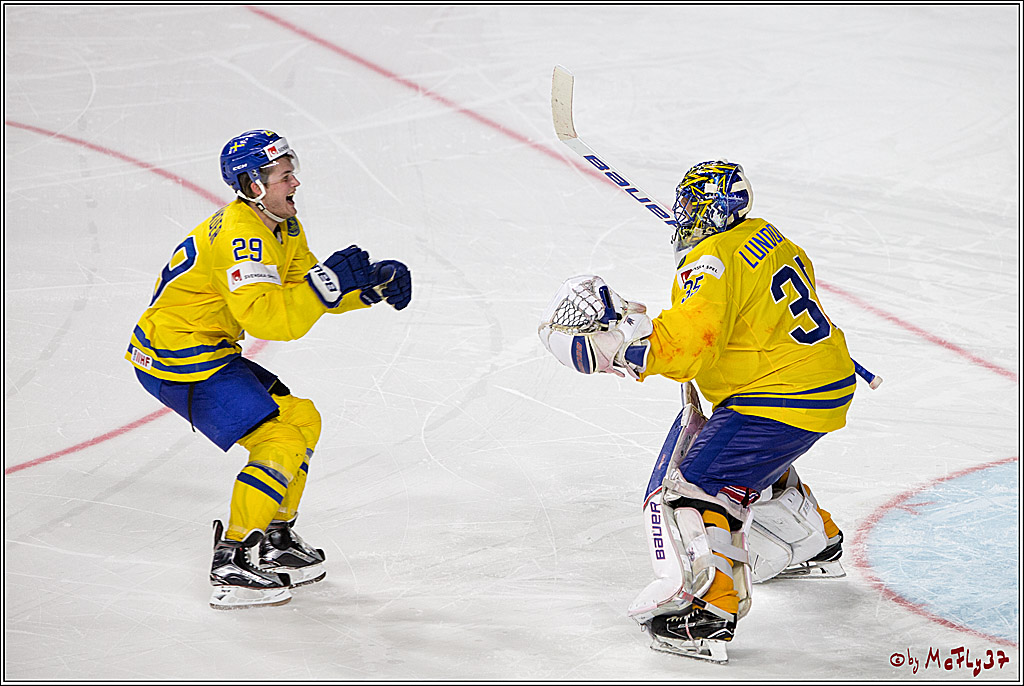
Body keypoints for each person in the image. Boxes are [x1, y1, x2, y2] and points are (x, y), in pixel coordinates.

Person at [538, 160, 858, 662]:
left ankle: (706, 608)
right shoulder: (767, 237)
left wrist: (624, 344)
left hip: (780, 394)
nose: (682, 211)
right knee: (745, 463)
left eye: (692, 202)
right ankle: (809, 539)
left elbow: (693, 344)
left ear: (713, 207)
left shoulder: (709, 260)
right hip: (823, 378)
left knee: (694, 485)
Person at [126, 129, 411, 609]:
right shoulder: (243, 238)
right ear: (253, 185)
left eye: (291, 170)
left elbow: (304, 290)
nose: (295, 182)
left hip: (205, 348)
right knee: (278, 440)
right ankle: (233, 559)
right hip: (177, 356)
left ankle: (273, 538)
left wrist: (368, 290)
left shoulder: (283, 224)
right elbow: (270, 320)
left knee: (302, 419)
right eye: (284, 175)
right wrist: (327, 284)